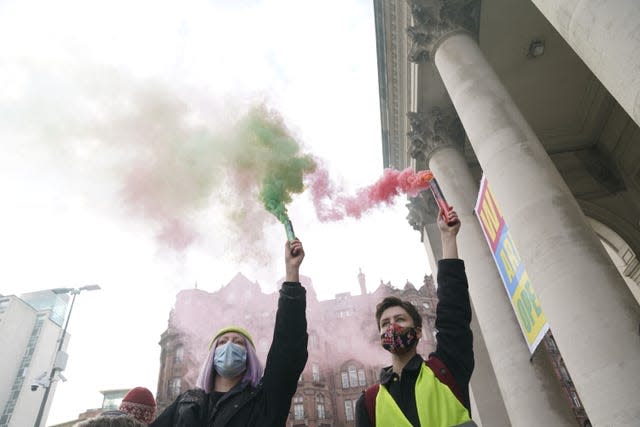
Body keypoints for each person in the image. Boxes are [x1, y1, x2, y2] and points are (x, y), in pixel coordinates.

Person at [151, 239, 308, 427]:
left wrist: (291, 274)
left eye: (239, 342)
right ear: (212, 355)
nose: (229, 345)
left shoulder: (263, 401)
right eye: (222, 341)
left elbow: (288, 349)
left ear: (249, 356)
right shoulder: (185, 404)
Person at [355, 208, 476, 427]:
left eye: (400, 319)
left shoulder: (445, 369)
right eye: (385, 323)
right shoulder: (369, 402)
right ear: (380, 336)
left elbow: (454, 313)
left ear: (418, 331)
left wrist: (448, 238)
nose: (392, 325)